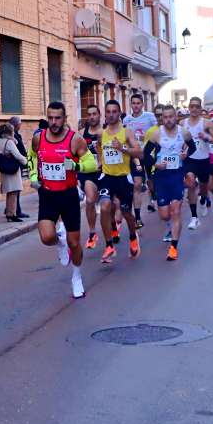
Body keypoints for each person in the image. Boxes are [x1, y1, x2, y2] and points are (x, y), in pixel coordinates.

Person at [32, 101, 90, 298]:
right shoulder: (38, 138)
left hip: (68, 195)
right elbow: (32, 157)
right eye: (50, 118)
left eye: (58, 118)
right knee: (46, 237)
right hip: (47, 194)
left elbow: (92, 163)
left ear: (65, 119)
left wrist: (76, 167)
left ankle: (76, 276)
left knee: (75, 243)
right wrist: (33, 176)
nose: (54, 122)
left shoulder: (75, 140)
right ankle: (60, 243)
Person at [146, 109, 194, 260]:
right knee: (164, 214)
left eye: (171, 117)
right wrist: (156, 164)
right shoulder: (156, 134)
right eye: (165, 117)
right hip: (161, 177)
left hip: (176, 176)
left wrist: (186, 155)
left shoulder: (184, 133)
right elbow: (146, 155)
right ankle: (169, 226)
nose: (168, 120)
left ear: (176, 117)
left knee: (176, 211)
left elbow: (193, 148)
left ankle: (173, 247)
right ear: (162, 119)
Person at [99, 99, 143, 262]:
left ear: (119, 113)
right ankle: (109, 245)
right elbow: (99, 149)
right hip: (107, 177)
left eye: (114, 112)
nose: (111, 115)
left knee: (126, 213)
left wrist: (122, 148)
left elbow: (140, 153)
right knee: (104, 207)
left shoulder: (127, 132)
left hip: (124, 178)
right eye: (108, 112)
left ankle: (133, 236)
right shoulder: (101, 133)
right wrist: (99, 163)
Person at [182, 97, 213, 230]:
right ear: (189, 107)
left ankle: (203, 198)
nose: (194, 109)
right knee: (190, 182)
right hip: (189, 159)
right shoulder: (183, 123)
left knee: (204, 186)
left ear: (200, 108)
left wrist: (207, 137)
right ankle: (194, 217)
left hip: (203, 159)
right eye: (192, 106)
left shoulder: (206, 123)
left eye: (197, 106)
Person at [122, 93, 157, 226]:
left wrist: (148, 139)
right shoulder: (126, 120)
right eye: (134, 103)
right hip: (134, 155)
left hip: (148, 154)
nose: (136, 105)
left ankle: (153, 194)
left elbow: (156, 131)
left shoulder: (149, 117)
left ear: (142, 104)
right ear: (131, 105)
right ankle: (137, 217)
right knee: (137, 184)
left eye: (138, 103)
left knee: (151, 182)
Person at [78, 105, 104, 249]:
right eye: (89, 114)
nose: (92, 117)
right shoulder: (82, 134)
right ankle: (92, 232)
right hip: (88, 173)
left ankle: (112, 226)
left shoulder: (106, 132)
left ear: (99, 115)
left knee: (108, 204)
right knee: (90, 200)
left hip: (105, 172)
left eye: (94, 114)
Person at [0, 123, 28, 221]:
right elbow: (17, 155)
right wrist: (26, 161)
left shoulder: (0, 141)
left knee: (10, 192)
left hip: (5, 169)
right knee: (14, 192)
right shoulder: (9, 142)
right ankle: (12, 214)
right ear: (10, 132)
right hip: (12, 170)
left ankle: (9, 212)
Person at [9, 117, 30, 219]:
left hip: (19, 165)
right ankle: (16, 210)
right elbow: (17, 153)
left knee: (16, 189)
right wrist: (25, 161)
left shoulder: (17, 135)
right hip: (16, 165)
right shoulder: (12, 137)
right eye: (20, 123)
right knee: (16, 189)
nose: (21, 125)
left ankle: (13, 209)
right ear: (15, 125)